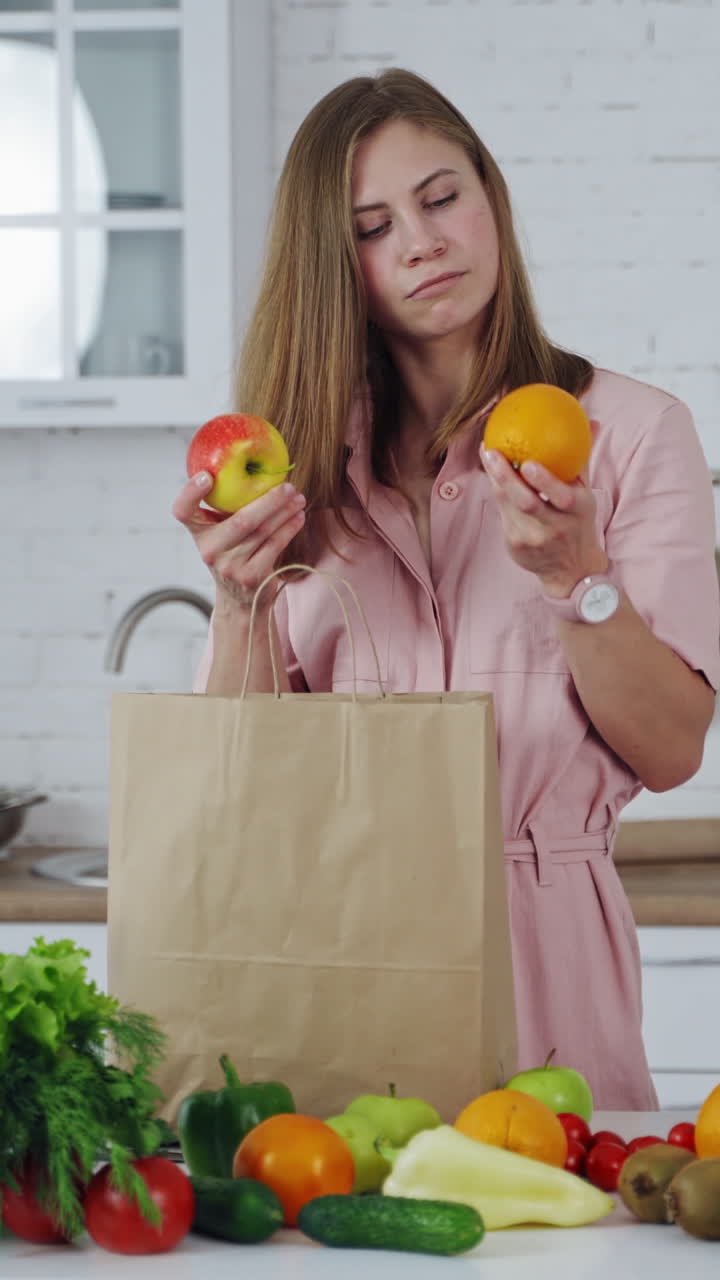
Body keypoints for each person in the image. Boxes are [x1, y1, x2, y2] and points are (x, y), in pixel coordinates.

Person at [173, 68, 720, 1110]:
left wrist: (577, 577)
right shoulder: (296, 472)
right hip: (345, 945)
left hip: (549, 949)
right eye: (373, 227)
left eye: (441, 197)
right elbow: (242, 784)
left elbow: (673, 745)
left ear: (490, 199)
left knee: (565, 1247)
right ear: (338, 268)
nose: (423, 242)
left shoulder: (635, 434)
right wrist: (241, 603)